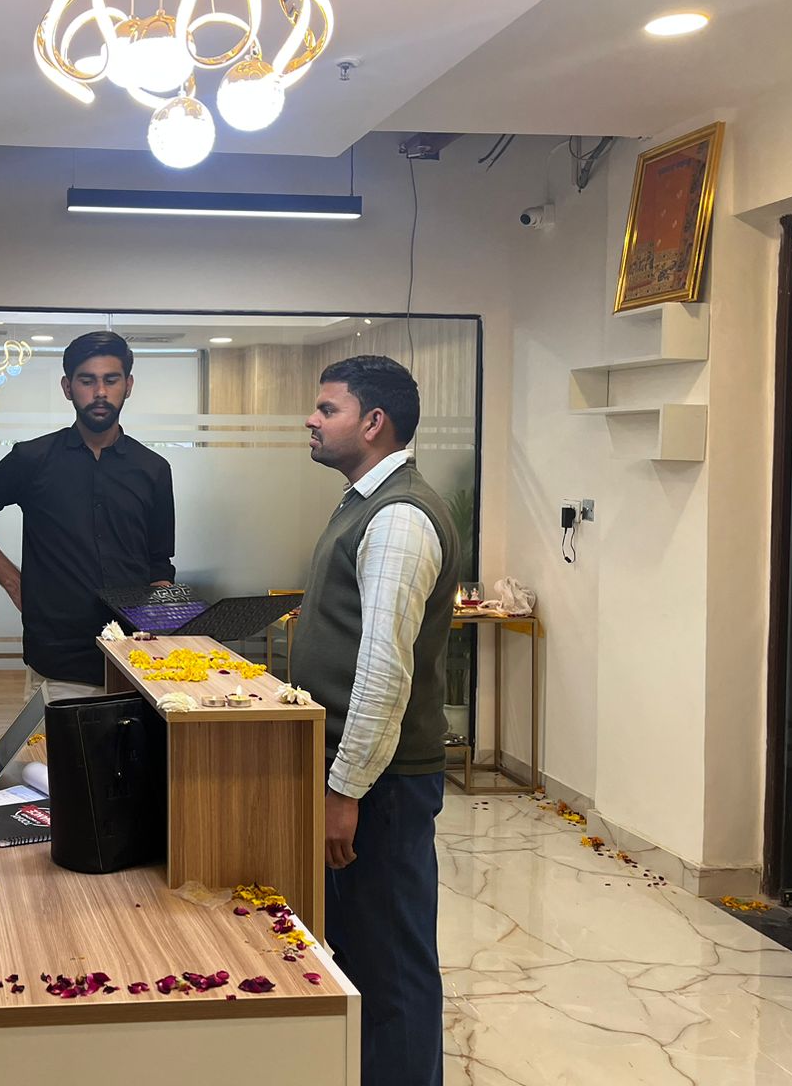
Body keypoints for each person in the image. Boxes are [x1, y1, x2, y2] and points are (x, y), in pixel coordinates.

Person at [288, 355, 458, 1086]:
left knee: (390, 966)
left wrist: (344, 791)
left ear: (373, 422)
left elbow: (384, 672)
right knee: (359, 951)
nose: (312, 419)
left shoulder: (398, 517)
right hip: (356, 775)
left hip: (380, 784)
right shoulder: (365, 502)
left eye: (327, 409)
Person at [0, 331, 176, 699]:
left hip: (137, 660)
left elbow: (159, 561)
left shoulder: (153, 469)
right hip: (58, 661)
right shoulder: (32, 459)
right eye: (87, 381)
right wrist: (14, 583)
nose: (100, 392)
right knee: (52, 741)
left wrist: (162, 614)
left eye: (111, 380)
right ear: (68, 387)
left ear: (129, 385)